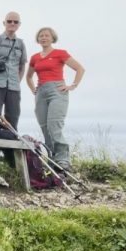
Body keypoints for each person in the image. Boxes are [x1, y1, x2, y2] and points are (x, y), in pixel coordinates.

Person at [26, 27, 85, 173]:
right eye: (41, 36)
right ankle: (52, 159)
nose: (44, 38)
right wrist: (33, 88)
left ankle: (63, 159)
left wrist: (73, 85)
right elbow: (28, 76)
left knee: (54, 125)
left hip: (57, 91)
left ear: (52, 38)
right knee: (45, 126)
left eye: (47, 35)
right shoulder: (35, 57)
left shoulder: (60, 54)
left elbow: (79, 68)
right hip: (41, 92)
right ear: (38, 39)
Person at [0, 12, 27, 131]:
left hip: (13, 85)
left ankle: (10, 147)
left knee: (13, 118)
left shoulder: (21, 44)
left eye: (15, 22)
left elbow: (22, 65)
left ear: (19, 24)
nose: (12, 23)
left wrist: (17, 81)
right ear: (4, 23)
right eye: (9, 21)